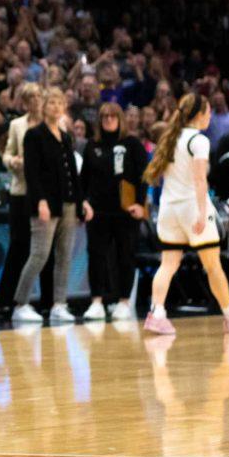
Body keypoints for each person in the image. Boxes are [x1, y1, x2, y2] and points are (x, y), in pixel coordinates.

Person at [142, 94, 229, 335]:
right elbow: (200, 179)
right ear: (199, 114)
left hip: (169, 209)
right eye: (208, 112)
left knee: (168, 264)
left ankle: (157, 313)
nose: (210, 116)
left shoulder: (170, 137)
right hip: (192, 207)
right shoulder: (198, 141)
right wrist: (203, 212)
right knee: (212, 264)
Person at [12, 88, 94, 324]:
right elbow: (32, 173)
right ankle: (21, 303)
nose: (56, 107)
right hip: (46, 204)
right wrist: (40, 201)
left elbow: (72, 175)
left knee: (64, 256)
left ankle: (59, 304)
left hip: (68, 203)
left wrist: (81, 203)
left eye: (60, 103)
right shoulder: (34, 135)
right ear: (43, 106)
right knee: (39, 254)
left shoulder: (66, 137)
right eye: (51, 103)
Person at [80, 102, 148, 321]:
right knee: (96, 256)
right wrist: (84, 203)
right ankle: (96, 302)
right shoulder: (92, 145)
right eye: (104, 116)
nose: (108, 119)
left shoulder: (132, 144)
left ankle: (124, 301)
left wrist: (140, 204)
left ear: (120, 118)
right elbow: (84, 180)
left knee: (125, 256)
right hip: (98, 212)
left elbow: (143, 177)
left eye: (112, 116)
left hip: (126, 211)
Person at [0, 83, 54, 315]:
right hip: (20, 191)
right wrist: (13, 162)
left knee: (46, 250)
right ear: (24, 102)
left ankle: (49, 302)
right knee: (18, 247)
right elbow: (7, 154)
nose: (34, 102)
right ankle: (7, 300)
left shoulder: (52, 124)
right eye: (29, 98)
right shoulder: (16, 125)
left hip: (46, 193)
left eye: (37, 97)